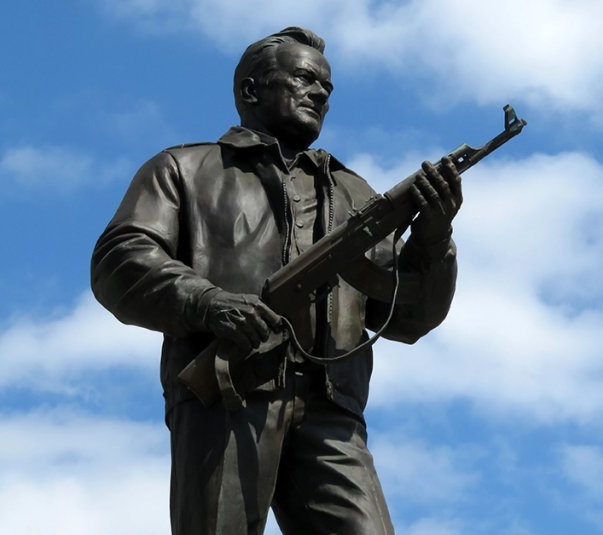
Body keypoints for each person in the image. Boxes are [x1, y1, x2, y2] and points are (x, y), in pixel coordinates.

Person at [91, 27, 460, 534]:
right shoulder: (184, 168)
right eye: (306, 79)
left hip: (333, 409)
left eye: (328, 89)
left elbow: (409, 317)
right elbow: (121, 259)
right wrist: (209, 303)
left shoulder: (356, 195)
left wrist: (434, 239)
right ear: (251, 90)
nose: (320, 94)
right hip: (228, 391)